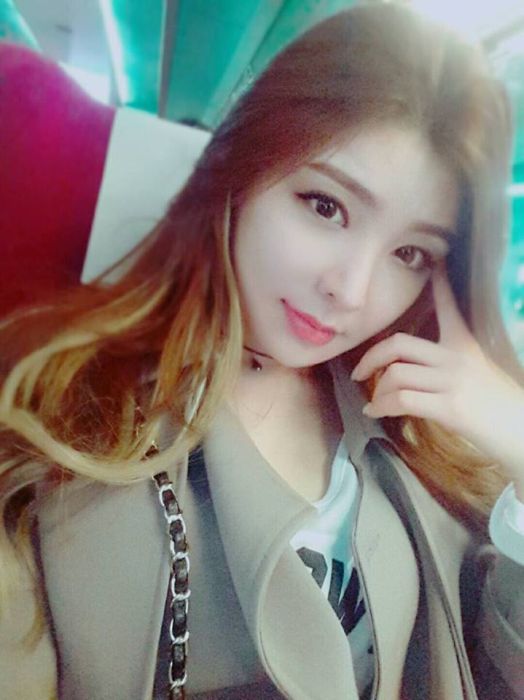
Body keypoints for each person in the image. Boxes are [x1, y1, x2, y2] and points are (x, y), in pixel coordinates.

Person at [1, 4, 524, 699]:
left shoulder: (427, 426)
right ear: (240, 172)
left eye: (409, 253)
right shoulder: (66, 416)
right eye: (326, 206)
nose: (351, 291)